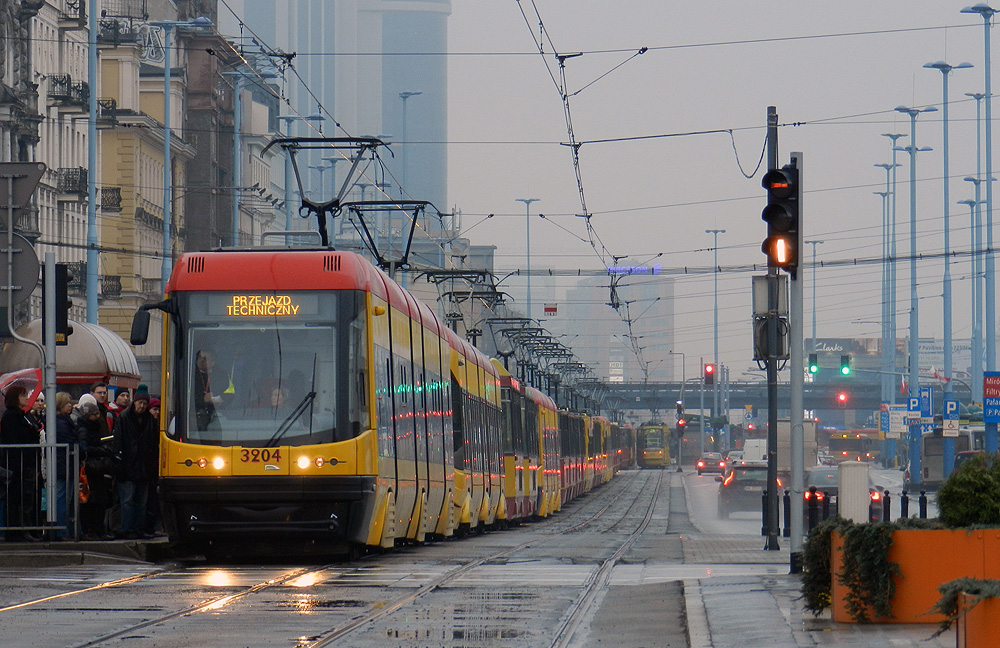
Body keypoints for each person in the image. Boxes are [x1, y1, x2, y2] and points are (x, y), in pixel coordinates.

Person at [112, 392, 157, 539]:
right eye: (140, 403)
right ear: (134, 403)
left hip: (143, 467)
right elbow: (119, 441)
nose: (142, 406)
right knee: (128, 500)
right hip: (129, 466)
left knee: (141, 502)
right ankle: (128, 528)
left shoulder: (149, 420)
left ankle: (138, 528)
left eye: (144, 403)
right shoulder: (124, 418)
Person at [0, 385, 41, 542]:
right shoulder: (11, 416)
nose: (26, 398)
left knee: (26, 498)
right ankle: (16, 531)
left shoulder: (23, 415)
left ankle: (25, 529)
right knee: (16, 498)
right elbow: (13, 439)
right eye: (23, 395)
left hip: (26, 463)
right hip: (16, 465)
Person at [75, 394, 114, 540]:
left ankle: (96, 529)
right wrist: (101, 450)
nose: (98, 416)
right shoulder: (85, 429)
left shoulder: (91, 427)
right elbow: (84, 447)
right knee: (91, 500)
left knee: (98, 500)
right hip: (91, 468)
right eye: (95, 414)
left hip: (94, 467)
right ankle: (91, 530)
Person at [52, 392, 81, 540]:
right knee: (62, 499)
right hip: (64, 465)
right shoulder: (60, 423)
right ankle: (62, 531)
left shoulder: (64, 421)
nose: (70, 405)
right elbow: (71, 440)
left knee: (65, 498)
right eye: (67, 403)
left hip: (66, 465)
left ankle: (65, 530)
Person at [194, 349, 222, 430]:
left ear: (213, 363)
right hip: (194, 416)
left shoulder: (221, 374)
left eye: (205, 359)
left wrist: (218, 396)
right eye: (200, 357)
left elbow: (230, 392)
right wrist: (202, 399)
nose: (201, 361)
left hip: (216, 413)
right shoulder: (190, 373)